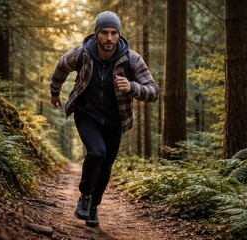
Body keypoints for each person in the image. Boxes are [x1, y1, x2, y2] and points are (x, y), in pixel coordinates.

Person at [49, 11, 159, 227]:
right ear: (96, 34)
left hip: (115, 120)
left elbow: (153, 91)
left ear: (119, 35)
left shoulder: (132, 59)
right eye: (104, 33)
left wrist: (132, 87)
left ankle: (93, 208)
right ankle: (85, 196)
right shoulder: (82, 54)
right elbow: (61, 67)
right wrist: (55, 92)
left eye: (114, 33)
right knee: (96, 152)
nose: (109, 38)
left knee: (106, 165)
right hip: (86, 113)